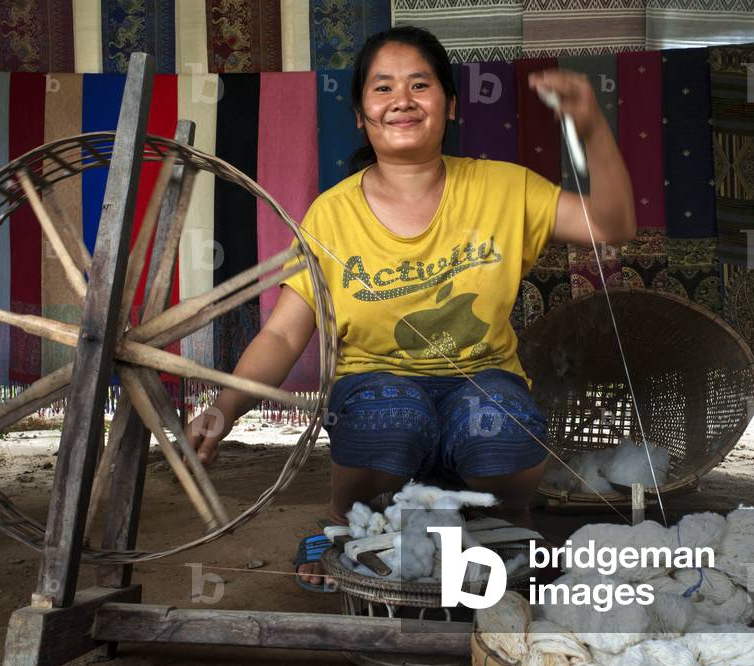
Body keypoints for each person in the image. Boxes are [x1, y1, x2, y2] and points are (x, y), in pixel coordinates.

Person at [185, 26, 636, 590]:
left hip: (480, 386)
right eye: (383, 88)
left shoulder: (504, 189)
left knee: (497, 422)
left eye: (419, 84)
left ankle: (508, 519)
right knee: (391, 413)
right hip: (380, 398)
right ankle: (344, 522)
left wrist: (589, 125)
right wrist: (224, 408)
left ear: (449, 105)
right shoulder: (331, 215)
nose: (402, 99)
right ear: (360, 114)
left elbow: (614, 225)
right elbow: (282, 336)